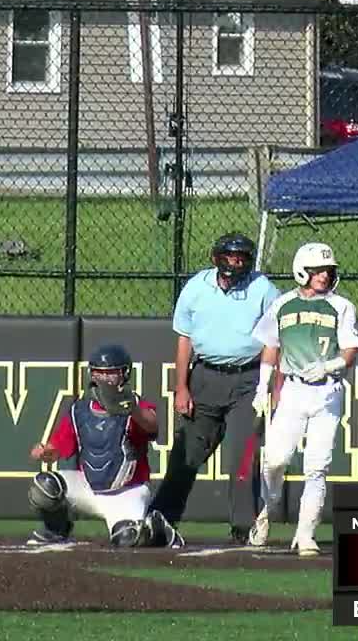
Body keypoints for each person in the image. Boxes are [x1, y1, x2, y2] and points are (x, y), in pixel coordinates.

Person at [148, 231, 280, 544]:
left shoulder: (262, 288)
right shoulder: (196, 287)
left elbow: (275, 339)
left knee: (243, 455)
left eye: (242, 257)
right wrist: (181, 386)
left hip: (247, 380)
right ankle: (161, 519)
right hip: (205, 377)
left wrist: (272, 385)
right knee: (187, 452)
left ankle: (243, 527)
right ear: (216, 258)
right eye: (230, 256)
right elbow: (184, 339)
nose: (235, 262)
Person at [247, 242, 358, 556]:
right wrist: (262, 388)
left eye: (327, 270)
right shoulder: (283, 304)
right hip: (293, 391)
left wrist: (329, 365)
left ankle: (306, 532)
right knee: (275, 459)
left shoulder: (342, 306)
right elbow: (270, 346)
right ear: (302, 271)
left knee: (317, 466)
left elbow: (350, 349)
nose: (324, 275)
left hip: (326, 391)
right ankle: (267, 510)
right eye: (317, 270)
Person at [26, 344, 183, 549]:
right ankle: (57, 528)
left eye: (111, 373)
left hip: (127, 491)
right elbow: (58, 448)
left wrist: (132, 409)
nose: (105, 379)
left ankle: (157, 527)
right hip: (89, 486)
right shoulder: (80, 410)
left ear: (124, 374)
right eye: (100, 373)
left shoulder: (134, 405)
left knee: (127, 539)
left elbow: (152, 425)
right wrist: (45, 452)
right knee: (44, 485)